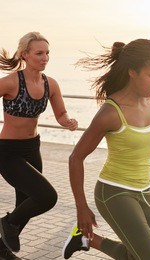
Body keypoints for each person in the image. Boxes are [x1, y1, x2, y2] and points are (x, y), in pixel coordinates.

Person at [61, 39, 150, 260]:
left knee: (137, 254)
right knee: (148, 257)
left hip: (144, 190)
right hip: (114, 192)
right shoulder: (111, 112)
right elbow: (76, 157)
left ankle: (86, 239)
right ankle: (84, 235)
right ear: (132, 72)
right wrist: (81, 207)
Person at [0, 32, 78, 260]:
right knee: (46, 197)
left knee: (24, 204)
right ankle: (7, 222)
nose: (45, 58)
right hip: (8, 151)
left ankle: (2, 251)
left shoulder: (50, 83)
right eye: (39, 53)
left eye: (47, 53)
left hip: (33, 149)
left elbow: (61, 113)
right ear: (25, 54)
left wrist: (68, 122)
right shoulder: (11, 81)